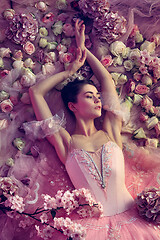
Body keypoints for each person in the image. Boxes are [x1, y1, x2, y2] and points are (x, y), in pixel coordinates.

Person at [27, 20, 160, 239]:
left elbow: (106, 79)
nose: (98, 101)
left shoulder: (110, 130)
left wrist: (85, 50)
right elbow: (36, 93)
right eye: (90, 97)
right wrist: (69, 71)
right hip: (91, 229)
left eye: (98, 97)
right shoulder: (65, 142)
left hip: (135, 221)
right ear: (72, 106)